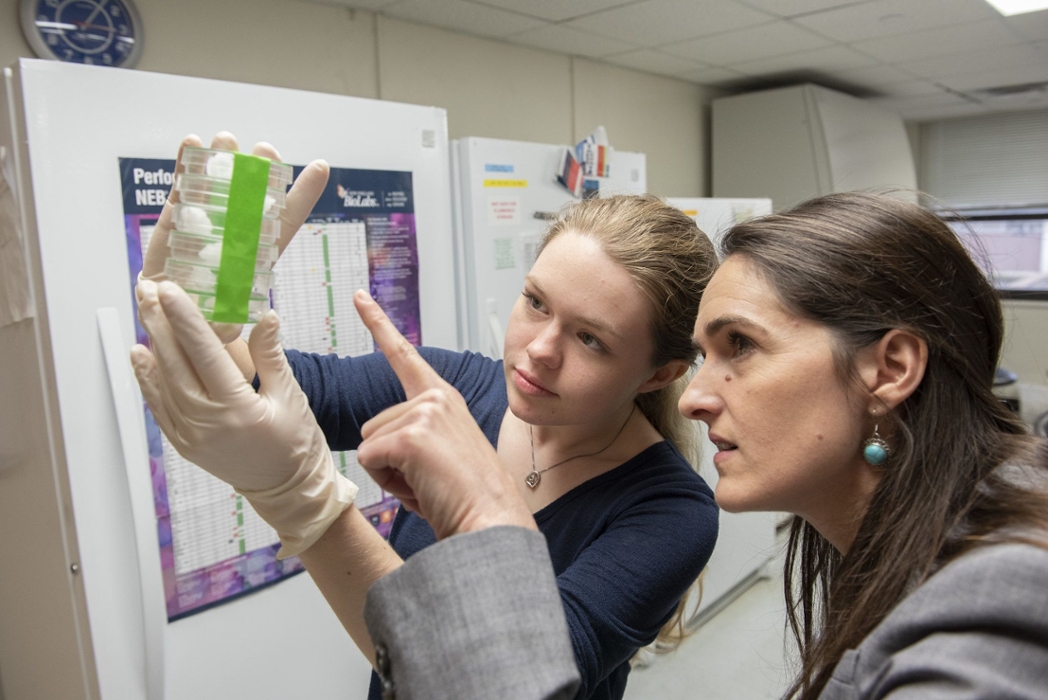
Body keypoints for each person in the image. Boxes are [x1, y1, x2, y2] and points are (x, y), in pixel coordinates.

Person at [270, 190, 1048, 699]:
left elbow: (535, 673)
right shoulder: (889, 564)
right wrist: (220, 288)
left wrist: (312, 508)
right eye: (534, 303)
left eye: (740, 346)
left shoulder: (1000, 589)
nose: (702, 399)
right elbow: (260, 379)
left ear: (892, 368)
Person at [134, 134, 720, 700]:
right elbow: (273, 384)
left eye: (590, 338)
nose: (540, 349)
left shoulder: (671, 512)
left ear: (658, 375)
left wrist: (305, 503)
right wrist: (208, 311)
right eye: (536, 302)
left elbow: (511, 681)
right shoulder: (448, 386)